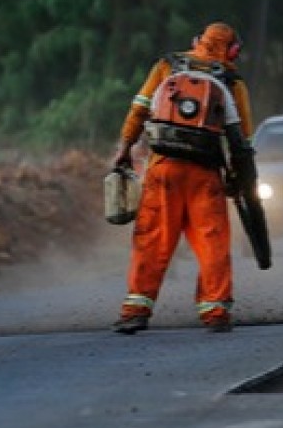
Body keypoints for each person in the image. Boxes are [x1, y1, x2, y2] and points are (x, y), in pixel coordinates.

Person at [109, 22, 257, 334]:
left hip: (164, 169)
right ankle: (215, 311)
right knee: (212, 242)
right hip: (205, 174)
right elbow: (241, 138)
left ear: (197, 42)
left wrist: (124, 149)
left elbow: (138, 110)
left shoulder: (167, 66)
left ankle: (135, 310)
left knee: (151, 240)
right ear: (233, 51)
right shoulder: (231, 81)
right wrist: (239, 180)